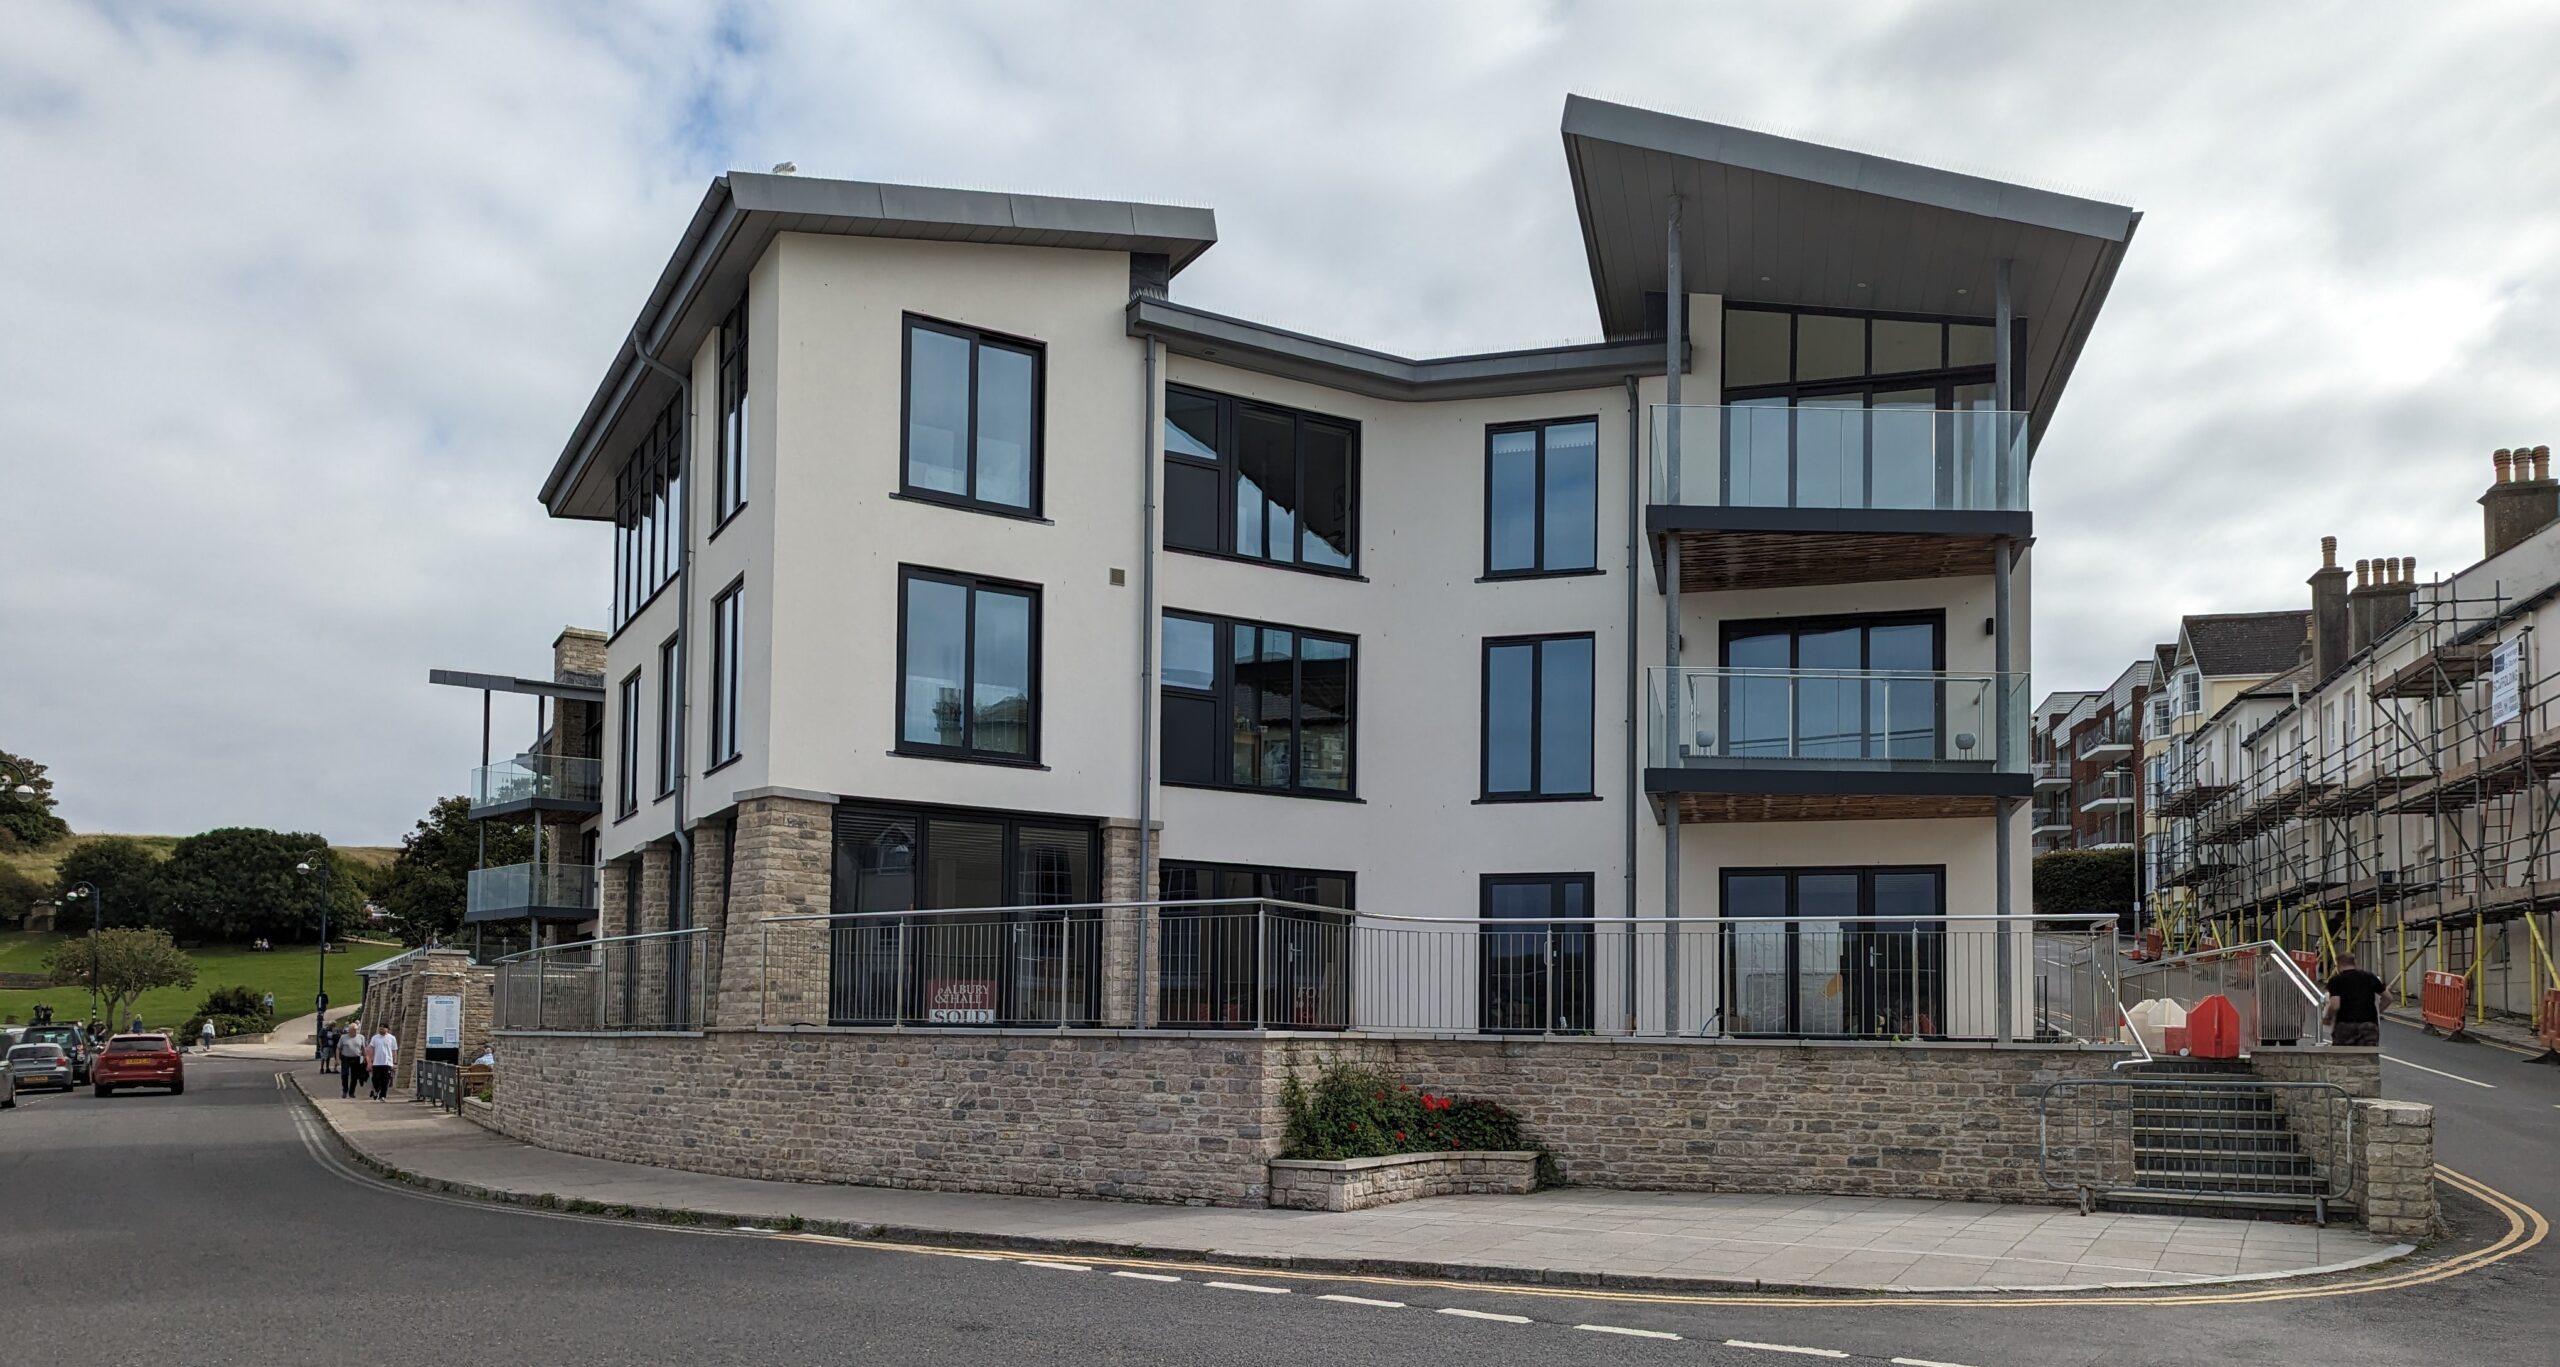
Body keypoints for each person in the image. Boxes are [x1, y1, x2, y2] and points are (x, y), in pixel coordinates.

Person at [2324, 953, 2387, 1047]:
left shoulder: (2336, 980)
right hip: (2369, 1025)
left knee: (2343, 1058)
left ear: (2338, 965)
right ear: (2355, 963)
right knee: (2368, 1058)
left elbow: (2335, 1005)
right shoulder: (2369, 977)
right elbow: (2389, 998)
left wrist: (2328, 1017)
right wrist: (2378, 1011)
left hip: (2345, 1026)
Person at [368, 1024, 398, 1101]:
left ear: (387, 1029)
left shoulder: (392, 1038)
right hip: (376, 1062)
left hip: (387, 1062)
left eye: (383, 1029)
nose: (381, 1030)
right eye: (380, 1029)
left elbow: (394, 1051)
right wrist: (369, 1062)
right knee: (375, 1079)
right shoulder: (375, 1038)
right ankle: (377, 1090)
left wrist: (394, 1063)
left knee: (385, 1080)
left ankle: (382, 1096)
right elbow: (371, 1050)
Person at [338, 1022, 367, 1099]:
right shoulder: (343, 1037)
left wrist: (365, 1058)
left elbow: (363, 1048)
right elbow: (338, 1048)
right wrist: (337, 1059)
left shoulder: (361, 1037)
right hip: (346, 1057)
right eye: (353, 1029)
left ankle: (351, 1092)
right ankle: (345, 1091)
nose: (355, 1031)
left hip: (356, 1058)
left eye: (356, 1029)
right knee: (345, 1074)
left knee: (354, 1076)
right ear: (349, 1030)